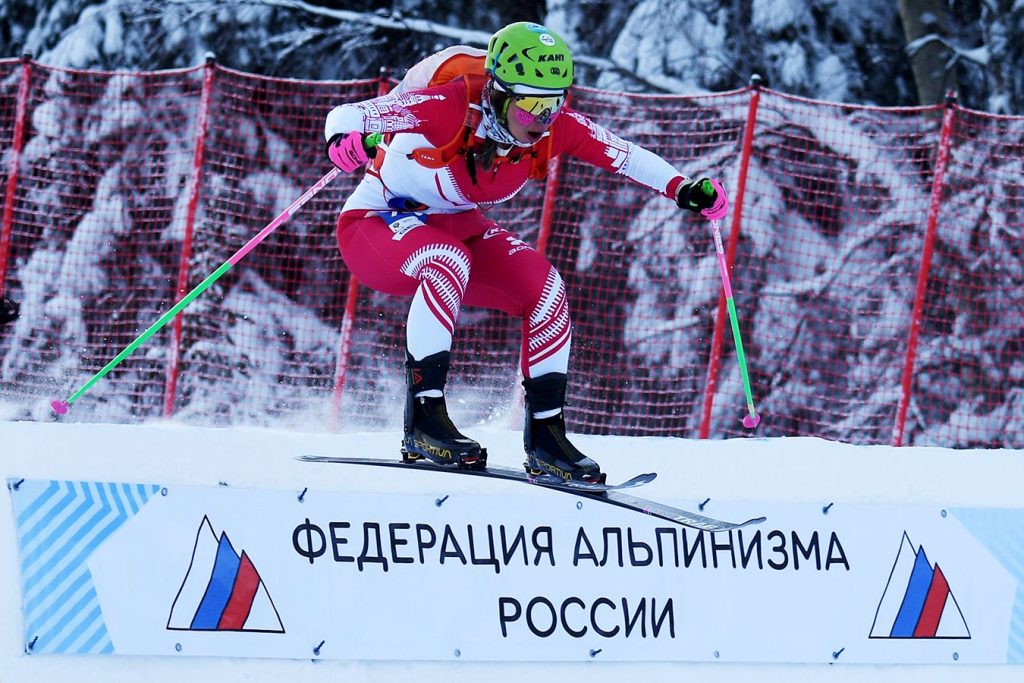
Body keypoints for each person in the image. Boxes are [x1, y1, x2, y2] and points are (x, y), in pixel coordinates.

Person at [323, 21, 728, 483]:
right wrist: (345, 140)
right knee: (445, 261)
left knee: (546, 291)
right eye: (531, 103)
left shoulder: (554, 129)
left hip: (457, 229)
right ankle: (425, 423)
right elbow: (351, 114)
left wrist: (683, 188)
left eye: (553, 104)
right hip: (377, 225)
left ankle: (546, 439)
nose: (541, 119)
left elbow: (625, 155)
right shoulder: (450, 107)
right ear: (497, 91)